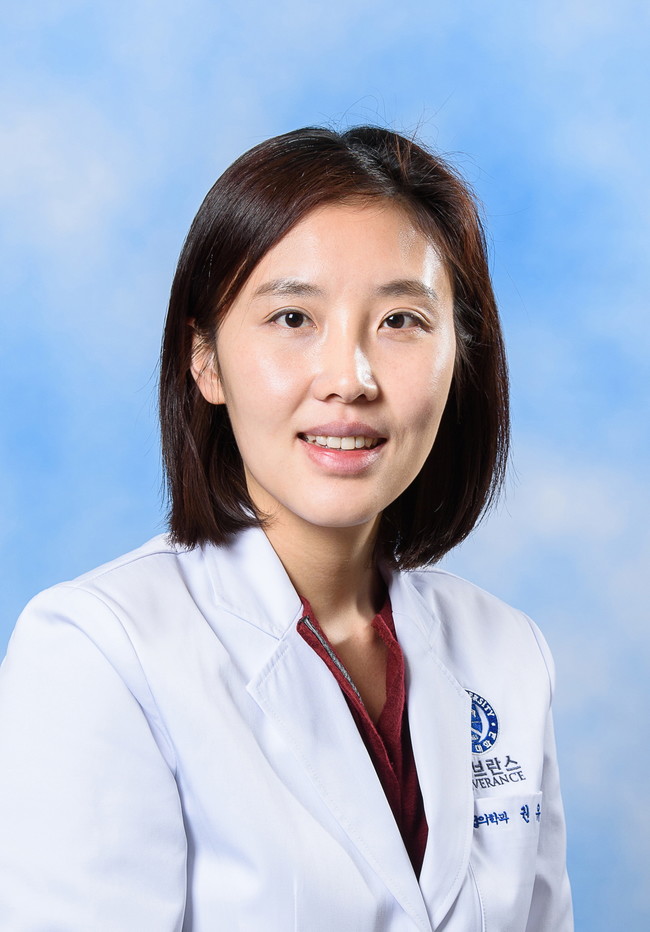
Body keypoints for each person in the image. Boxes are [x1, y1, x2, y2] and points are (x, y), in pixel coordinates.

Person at [0, 126, 573, 931]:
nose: (350, 379)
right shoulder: (99, 653)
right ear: (205, 361)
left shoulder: (508, 652)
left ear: (460, 355)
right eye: (293, 317)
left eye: (401, 320)